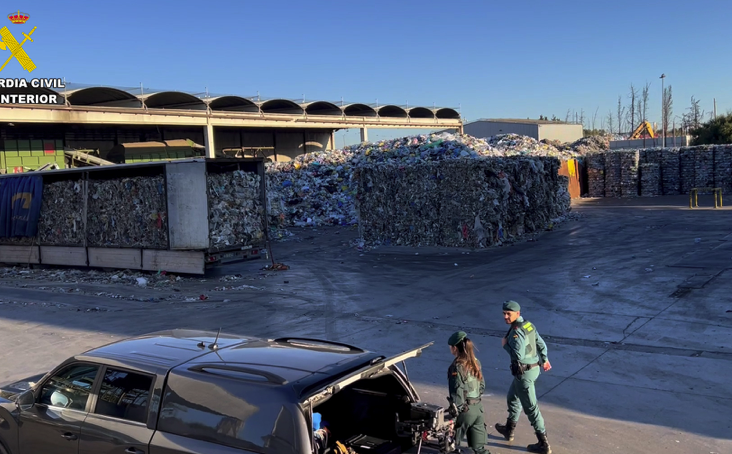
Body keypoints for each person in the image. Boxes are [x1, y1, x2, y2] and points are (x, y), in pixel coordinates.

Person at [495, 300, 552, 454]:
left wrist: (505, 345)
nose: (506, 316)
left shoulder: (516, 331)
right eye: (504, 313)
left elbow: (518, 354)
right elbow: (541, 343)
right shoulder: (528, 325)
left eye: (509, 314)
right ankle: (509, 429)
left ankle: (543, 443)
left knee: (531, 407)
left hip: (524, 373)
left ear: (517, 314)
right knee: (512, 397)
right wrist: (545, 360)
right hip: (532, 368)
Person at [447, 331, 490, 454]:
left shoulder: (456, 367)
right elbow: (482, 386)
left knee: (452, 447)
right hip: (478, 410)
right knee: (479, 449)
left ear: (455, 348)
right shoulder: (475, 362)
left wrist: (452, 420)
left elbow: (457, 395)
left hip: (465, 412)